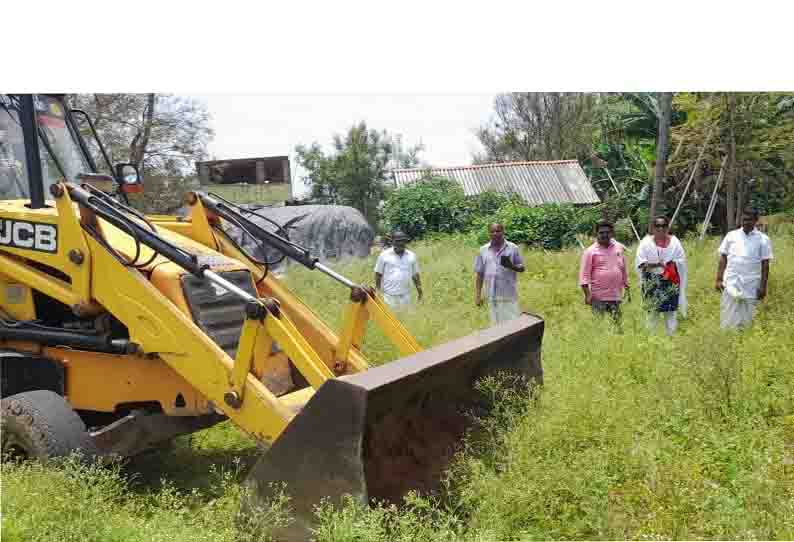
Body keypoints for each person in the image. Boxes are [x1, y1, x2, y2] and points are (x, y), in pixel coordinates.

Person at [715, 208, 773, 329]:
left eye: (749, 220)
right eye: (744, 219)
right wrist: (719, 279)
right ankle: (728, 338)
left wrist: (763, 286)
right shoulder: (732, 235)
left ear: (756, 221)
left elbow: (765, 264)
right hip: (731, 281)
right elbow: (723, 258)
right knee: (728, 314)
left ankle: (743, 339)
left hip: (751, 284)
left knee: (747, 317)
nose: (746, 222)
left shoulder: (763, 239)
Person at [635, 216, 688, 336]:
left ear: (667, 227)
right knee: (652, 312)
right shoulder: (645, 243)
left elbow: (681, 261)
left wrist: (671, 264)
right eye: (657, 226)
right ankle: (651, 340)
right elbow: (641, 264)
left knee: (671, 312)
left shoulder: (675, 242)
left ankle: (672, 337)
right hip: (651, 282)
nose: (661, 228)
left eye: (663, 226)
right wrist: (657, 265)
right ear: (653, 228)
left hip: (670, 281)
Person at [474, 223, 526, 325]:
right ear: (488, 233)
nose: (495, 234)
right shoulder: (483, 250)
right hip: (491, 296)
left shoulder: (512, 248)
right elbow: (479, 274)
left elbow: (522, 268)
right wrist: (478, 296)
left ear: (503, 232)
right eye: (492, 231)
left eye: (498, 231)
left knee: (513, 324)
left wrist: (511, 266)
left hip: (508, 294)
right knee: (496, 326)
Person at [579, 220, 629, 324]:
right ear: (596, 234)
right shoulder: (590, 251)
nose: (605, 235)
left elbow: (622, 269)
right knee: (599, 326)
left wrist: (627, 287)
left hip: (615, 296)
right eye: (601, 233)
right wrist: (587, 294)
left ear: (612, 234)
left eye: (607, 232)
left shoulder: (618, 249)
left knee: (618, 326)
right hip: (598, 297)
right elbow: (584, 276)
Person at [374, 230, 422, 310]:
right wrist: (378, 291)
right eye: (398, 241)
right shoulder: (384, 255)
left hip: (406, 295)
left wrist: (420, 291)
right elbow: (378, 274)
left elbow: (415, 275)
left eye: (403, 241)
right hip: (389, 297)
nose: (400, 243)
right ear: (392, 242)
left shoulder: (411, 256)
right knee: (391, 320)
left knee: (406, 319)